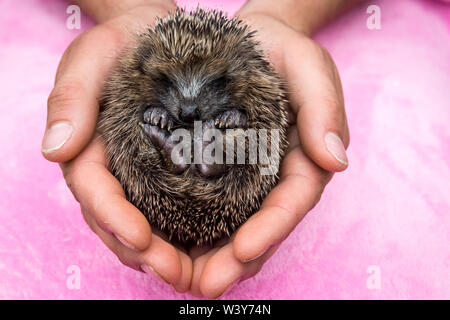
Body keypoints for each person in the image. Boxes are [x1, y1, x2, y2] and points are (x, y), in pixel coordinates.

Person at [41, 0, 356, 299]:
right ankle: (198, 151)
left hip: (223, 170)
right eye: (171, 83)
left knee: (259, 143)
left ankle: (199, 152)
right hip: (174, 170)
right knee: (130, 132)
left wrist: (285, 15)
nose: (189, 107)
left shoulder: (251, 75)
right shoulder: (138, 71)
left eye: (212, 85)